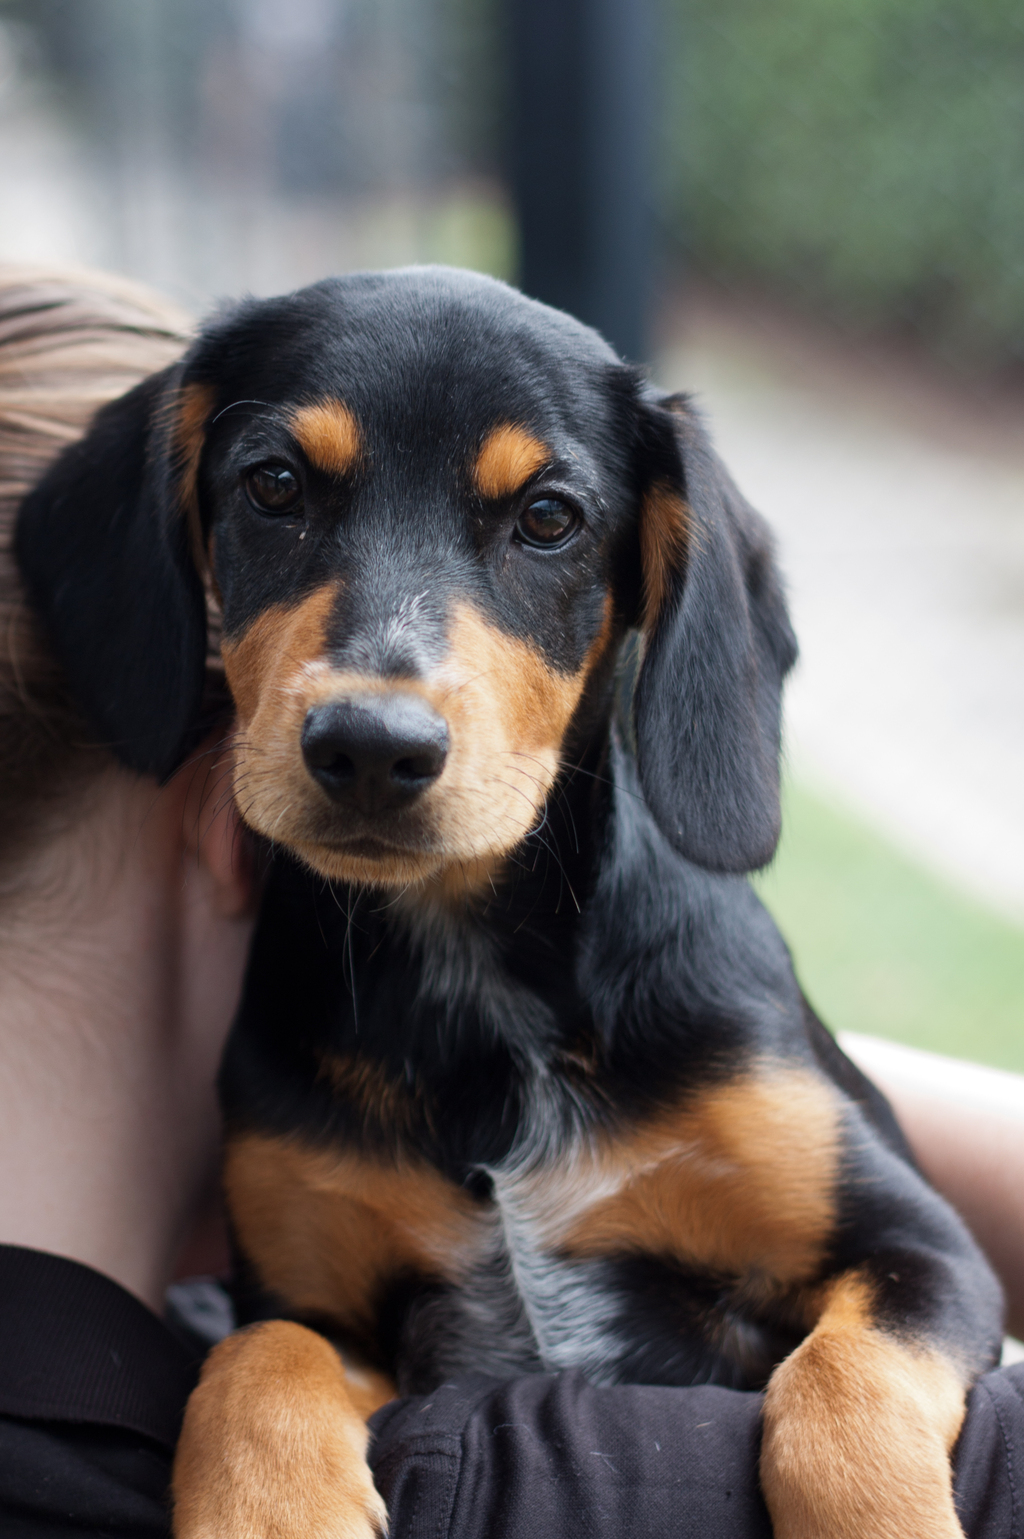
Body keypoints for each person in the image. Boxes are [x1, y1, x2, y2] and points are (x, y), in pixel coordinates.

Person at [0, 265, 1021, 1539]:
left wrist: (855, 1425)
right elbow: (323, 1333)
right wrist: (268, 1379)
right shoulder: (281, 1079)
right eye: (279, 491)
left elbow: (918, 1273)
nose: (385, 693)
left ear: (647, 585)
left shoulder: (715, 1046)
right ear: (189, 556)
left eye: (540, 522)